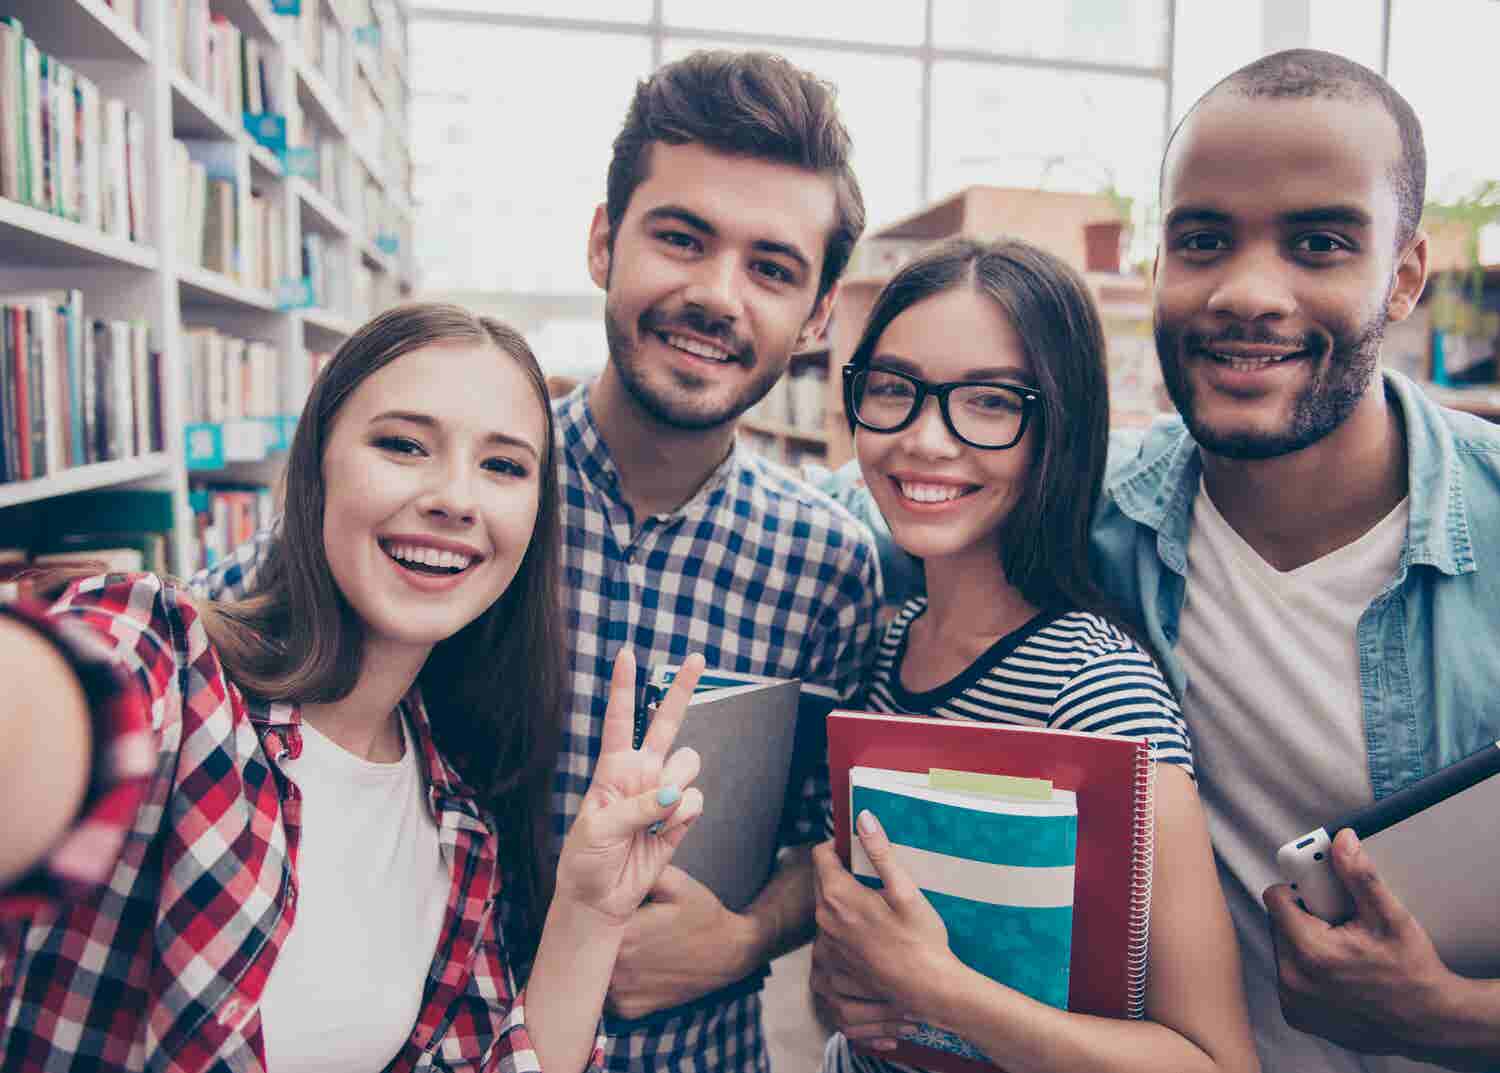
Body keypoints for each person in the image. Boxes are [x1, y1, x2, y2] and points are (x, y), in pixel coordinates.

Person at [195, 50, 882, 1073]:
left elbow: (830, 843)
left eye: (772, 268)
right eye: (681, 237)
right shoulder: (461, 497)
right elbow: (222, 648)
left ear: (821, 313)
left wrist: (743, 937)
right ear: (606, 241)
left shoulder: (833, 562)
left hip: (697, 1053)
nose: (714, 294)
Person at [0, 302, 712, 1073]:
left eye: (503, 465)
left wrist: (588, 909)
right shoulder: (170, 661)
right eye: (403, 445)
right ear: (318, 468)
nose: (456, 498)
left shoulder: (456, 820)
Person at [1086, 50, 1500, 1072]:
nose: (1247, 292)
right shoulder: (1082, 526)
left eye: (1318, 242)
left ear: (1405, 274)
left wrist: (1450, 1014)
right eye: (1203, 239)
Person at [807, 237, 1260, 1073]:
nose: (926, 440)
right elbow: (855, 982)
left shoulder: (1098, 690)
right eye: (895, 390)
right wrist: (843, 989)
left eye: (988, 402)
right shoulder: (880, 645)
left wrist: (941, 991)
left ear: (1060, 425)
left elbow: (1216, 1063)